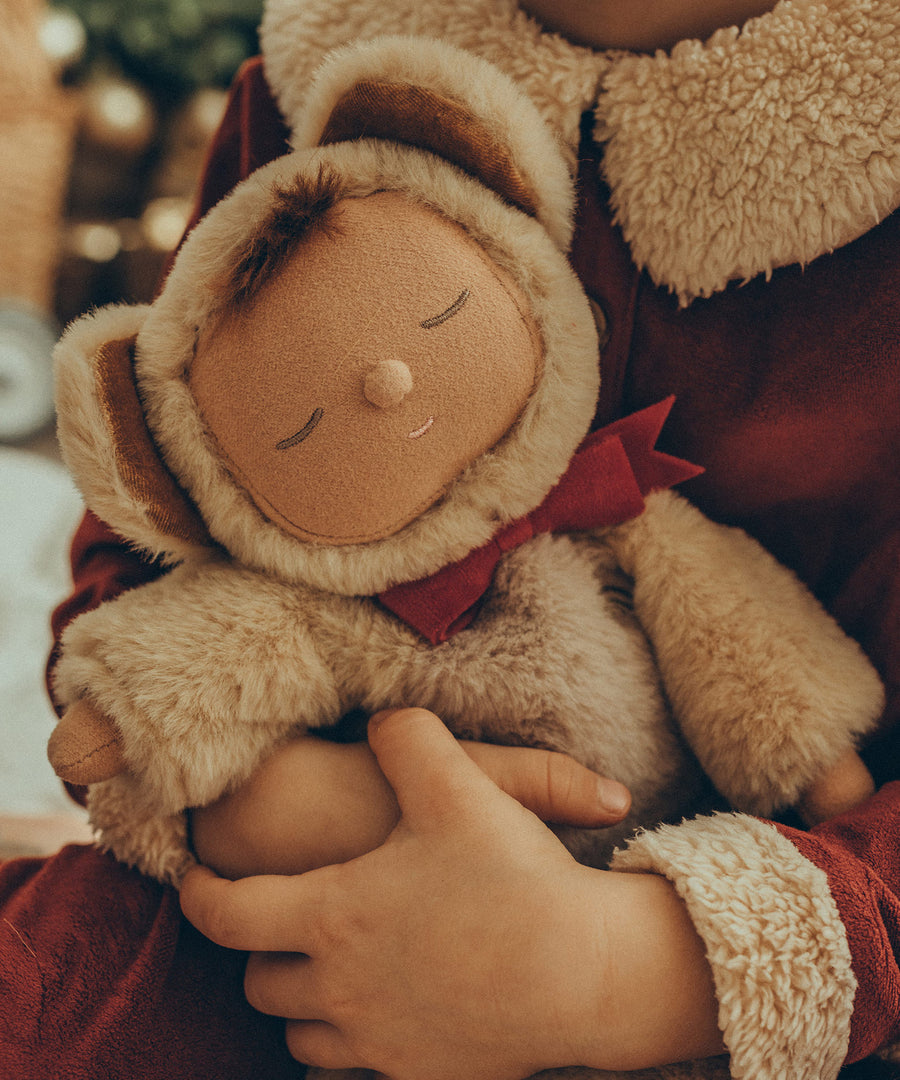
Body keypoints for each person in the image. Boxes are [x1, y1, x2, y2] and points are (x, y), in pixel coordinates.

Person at [2, 1, 898, 1077]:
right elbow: (156, 525)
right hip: (274, 914)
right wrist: (249, 799)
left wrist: (637, 968)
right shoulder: (321, 74)